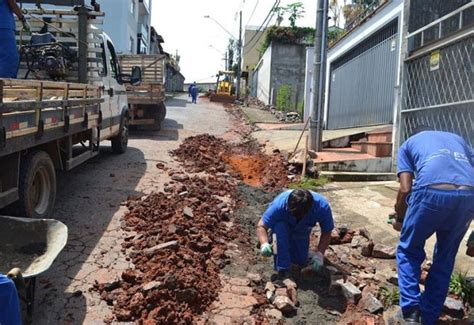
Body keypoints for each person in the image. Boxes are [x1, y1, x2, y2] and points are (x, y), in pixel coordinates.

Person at [393, 127, 474, 325]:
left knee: (408, 250)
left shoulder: (407, 145)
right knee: (445, 257)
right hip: (467, 196)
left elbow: (405, 189)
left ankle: (411, 312)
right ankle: (428, 317)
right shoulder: (459, 139)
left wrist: (401, 217)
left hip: (430, 192)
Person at [256, 189, 334, 277]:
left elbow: (327, 231)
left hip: (302, 230)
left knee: (300, 261)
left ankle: (283, 244)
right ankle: (283, 269)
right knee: (280, 229)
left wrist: (320, 254)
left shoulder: (322, 207)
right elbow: (261, 226)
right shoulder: (279, 205)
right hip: (283, 226)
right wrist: (264, 244)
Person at [0, 0, 26, 78]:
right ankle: (5, 84)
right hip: (3, 24)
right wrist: (22, 18)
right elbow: (11, 2)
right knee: (10, 57)